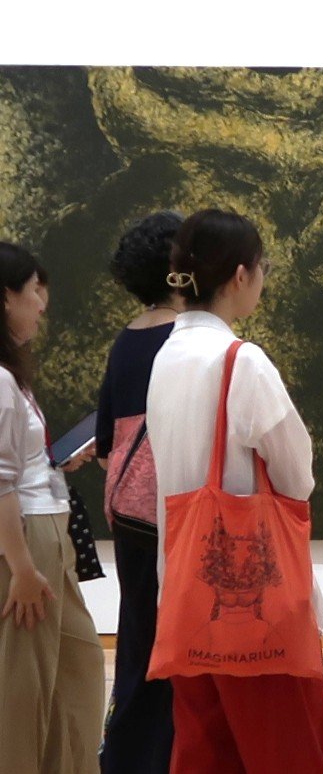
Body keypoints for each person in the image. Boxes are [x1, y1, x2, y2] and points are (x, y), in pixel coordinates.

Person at [146, 208, 323, 773]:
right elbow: (297, 474)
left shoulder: (165, 357)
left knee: (205, 753)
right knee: (287, 753)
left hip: (184, 592)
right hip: (254, 599)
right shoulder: (242, 361)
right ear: (240, 275)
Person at [0, 241, 104, 773]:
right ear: (5, 298)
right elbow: (0, 484)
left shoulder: (11, 377)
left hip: (46, 531)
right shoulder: (0, 379)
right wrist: (21, 567)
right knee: (25, 686)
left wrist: (55, 462)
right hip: (27, 539)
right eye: (35, 291)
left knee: (76, 667)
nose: (42, 305)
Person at [96, 210, 184, 773]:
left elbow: (106, 441)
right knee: (180, 642)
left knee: (137, 638)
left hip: (128, 511)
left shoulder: (127, 339)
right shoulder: (189, 340)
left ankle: (126, 755)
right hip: (176, 510)